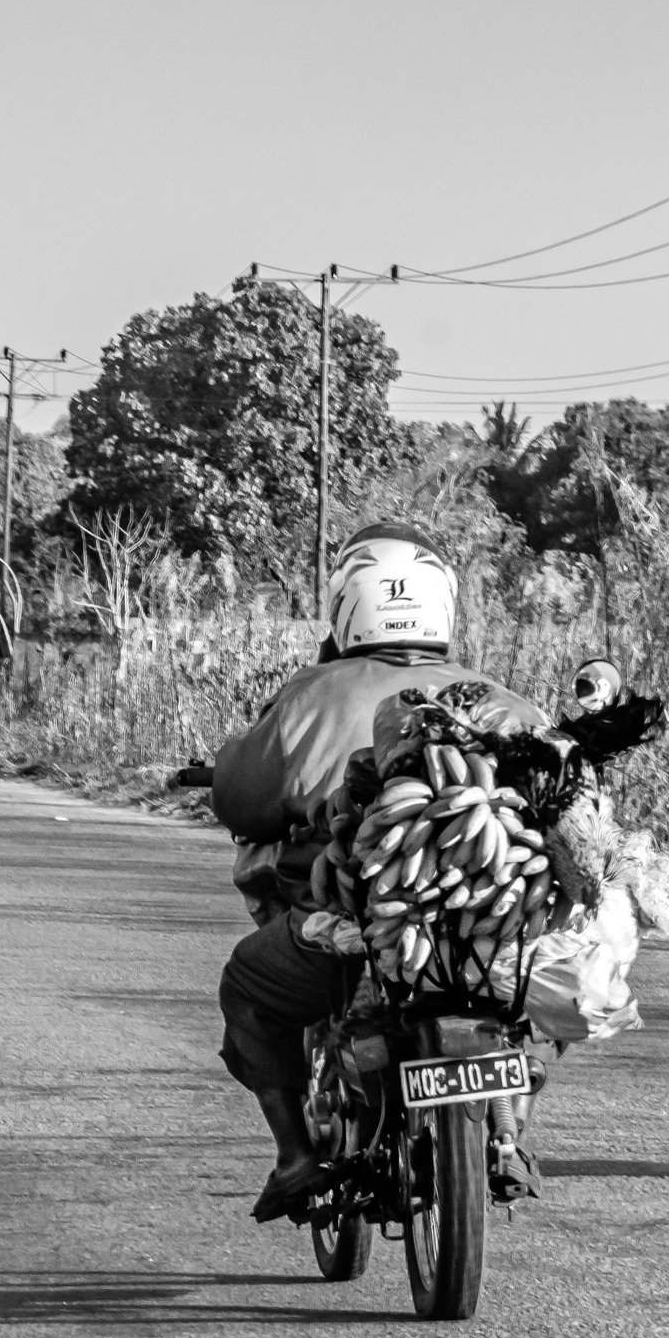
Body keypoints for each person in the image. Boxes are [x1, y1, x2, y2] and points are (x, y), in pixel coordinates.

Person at [209, 521, 548, 1221]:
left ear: (345, 607)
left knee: (247, 988)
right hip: (487, 931)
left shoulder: (312, 695)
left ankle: (297, 1156)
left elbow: (243, 799)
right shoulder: (504, 702)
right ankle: (508, 1133)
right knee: (533, 988)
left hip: (353, 929)